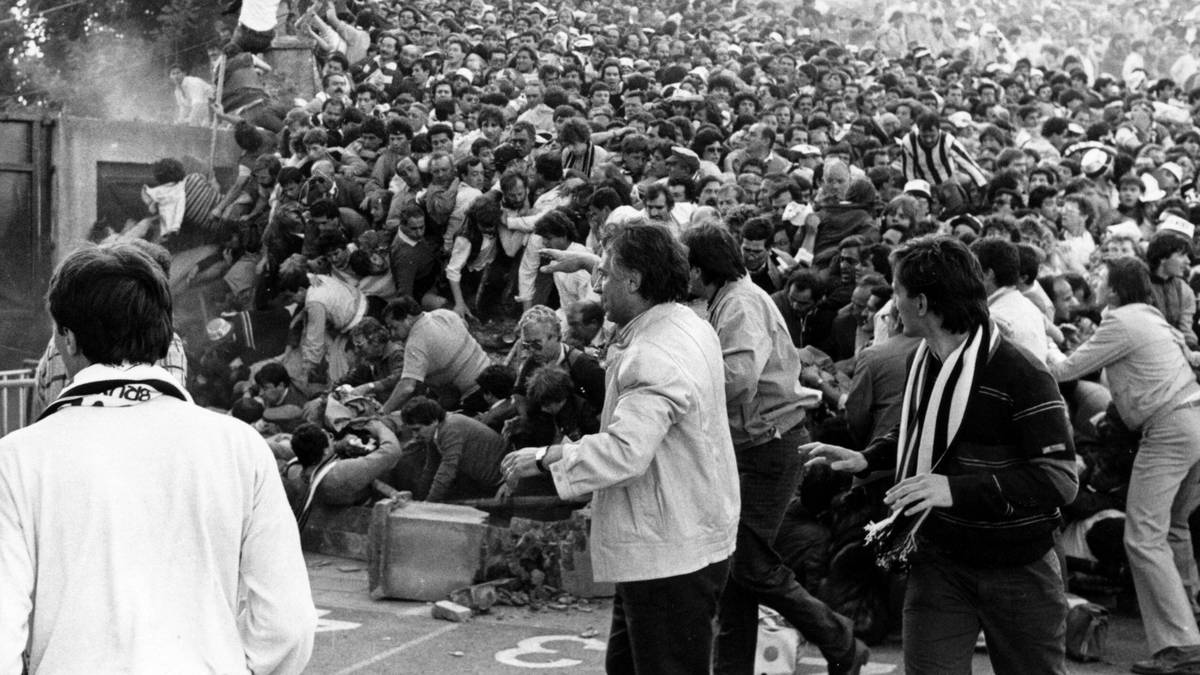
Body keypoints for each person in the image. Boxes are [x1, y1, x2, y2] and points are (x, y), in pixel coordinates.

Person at [0, 243, 315, 673]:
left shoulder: (17, 460)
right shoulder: (240, 447)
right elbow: (288, 626)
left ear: (68, 339)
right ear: (164, 335)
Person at [807, 235, 1077, 674]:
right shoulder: (926, 359)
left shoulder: (1021, 373)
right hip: (939, 559)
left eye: (896, 291)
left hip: (1018, 567)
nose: (891, 305)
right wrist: (867, 458)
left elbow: (1059, 481)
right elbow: (921, 433)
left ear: (922, 302)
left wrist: (954, 490)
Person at [501, 223, 740, 674]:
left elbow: (626, 451)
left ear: (634, 281)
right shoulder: (689, 322)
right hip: (676, 541)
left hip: (669, 554)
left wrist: (545, 456)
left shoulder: (654, 354)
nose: (597, 285)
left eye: (606, 274)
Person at [681, 225, 869, 675]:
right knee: (738, 567)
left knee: (746, 561)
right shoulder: (726, 300)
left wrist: (681, 391)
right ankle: (733, 666)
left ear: (700, 268)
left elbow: (738, 379)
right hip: (754, 444)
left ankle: (838, 637)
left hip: (769, 445)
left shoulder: (741, 304)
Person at [1047, 256, 1200, 675]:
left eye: (1100, 280)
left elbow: (1064, 368)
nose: (1095, 284)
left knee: (1143, 536)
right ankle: (1190, 623)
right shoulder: (1152, 317)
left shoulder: (1120, 321)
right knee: (1174, 529)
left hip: (1168, 426)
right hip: (1193, 420)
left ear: (1113, 290)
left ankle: (1182, 645)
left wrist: (1035, 342)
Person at [379, 296, 491, 415]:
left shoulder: (415, 343)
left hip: (474, 394)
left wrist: (384, 410)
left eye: (394, 327)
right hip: (490, 371)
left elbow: (407, 387)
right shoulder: (443, 313)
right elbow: (465, 325)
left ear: (408, 318)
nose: (392, 333)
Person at [401, 397, 507, 502]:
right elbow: (431, 468)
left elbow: (447, 471)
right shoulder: (434, 431)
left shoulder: (450, 428)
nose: (415, 435)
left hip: (505, 480)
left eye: (417, 429)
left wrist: (428, 503)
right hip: (487, 481)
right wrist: (418, 499)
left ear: (434, 421)